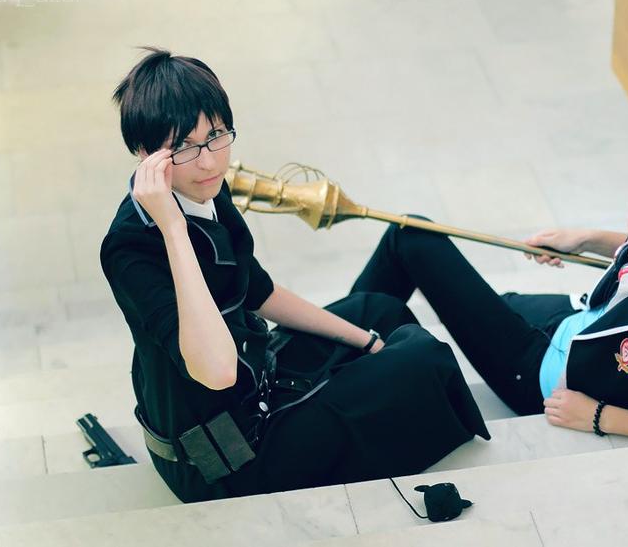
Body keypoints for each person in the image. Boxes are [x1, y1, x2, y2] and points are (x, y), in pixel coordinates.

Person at [99, 48, 489, 503]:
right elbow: (217, 371)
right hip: (223, 459)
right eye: (183, 147)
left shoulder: (204, 188)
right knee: (422, 358)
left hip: (259, 383)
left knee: (378, 313)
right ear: (145, 155)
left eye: (216, 135)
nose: (208, 162)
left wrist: (367, 342)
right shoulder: (131, 247)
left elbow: (258, 291)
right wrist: (173, 228)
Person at [352, 144, 628, 442]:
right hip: (576, 320)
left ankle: (337, 349)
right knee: (478, 295)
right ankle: (345, 336)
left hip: (539, 373)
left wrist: (599, 417)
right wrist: (586, 239)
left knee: (411, 237)